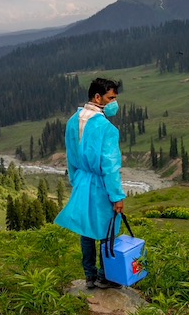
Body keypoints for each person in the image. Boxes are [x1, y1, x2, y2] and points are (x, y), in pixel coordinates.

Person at [54, 77, 126, 289]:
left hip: (82, 181)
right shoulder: (107, 128)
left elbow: (71, 156)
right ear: (98, 97)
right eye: (111, 98)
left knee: (86, 229)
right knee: (106, 230)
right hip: (101, 184)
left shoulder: (72, 121)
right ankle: (105, 277)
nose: (114, 103)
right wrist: (117, 196)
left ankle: (89, 277)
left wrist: (76, 181)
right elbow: (110, 167)